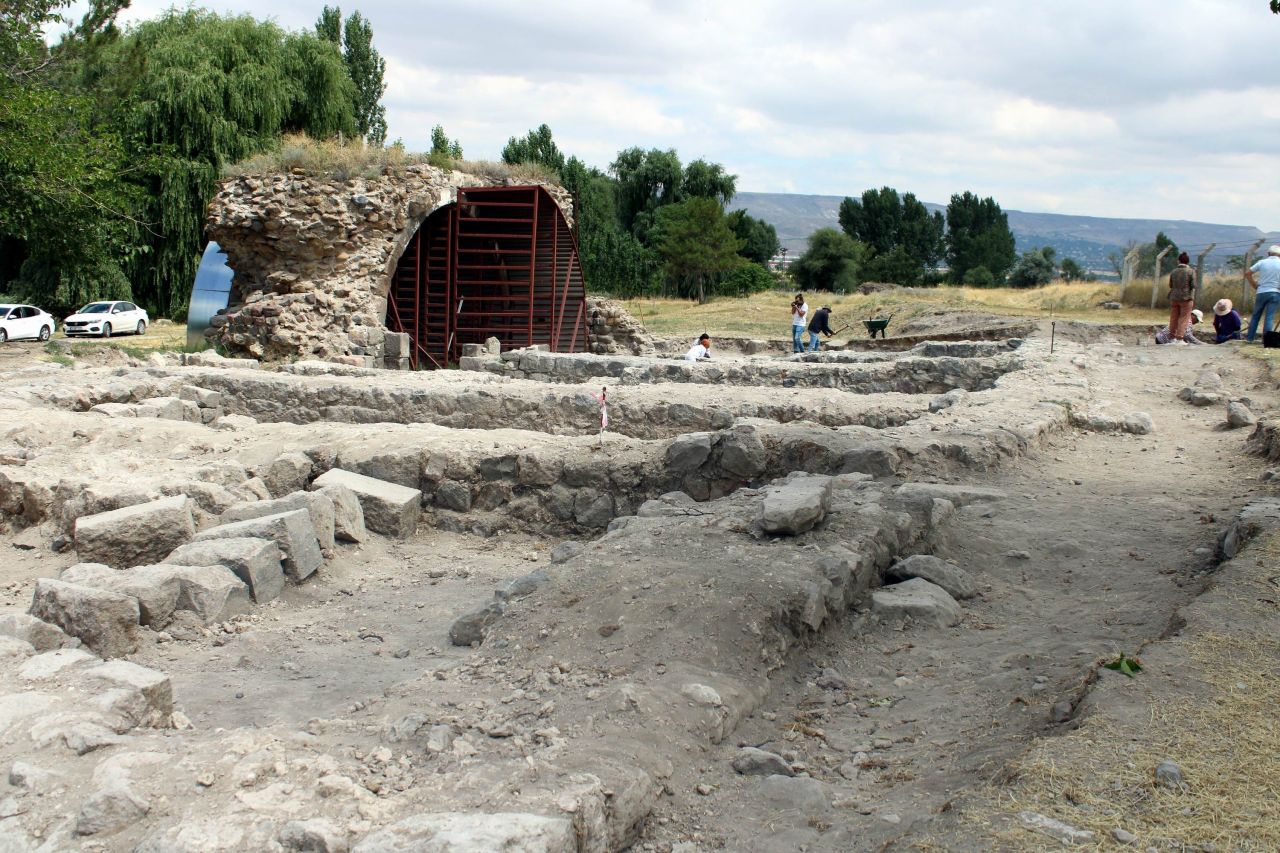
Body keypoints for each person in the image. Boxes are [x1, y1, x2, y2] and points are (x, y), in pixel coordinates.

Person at [1245, 245, 1280, 342]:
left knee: (1256, 315)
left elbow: (1248, 273)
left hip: (1261, 291)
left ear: (1268, 254)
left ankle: (1250, 339)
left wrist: (1254, 285)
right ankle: (1266, 341)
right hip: (1275, 292)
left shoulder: (1262, 262)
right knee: (1269, 317)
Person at [1165, 251, 1196, 342]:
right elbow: (1194, 285)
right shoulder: (1191, 271)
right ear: (1188, 261)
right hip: (1186, 297)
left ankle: (1171, 337)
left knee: (1173, 317)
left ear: (1179, 261)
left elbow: (1170, 285)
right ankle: (1179, 337)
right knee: (1184, 317)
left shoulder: (1174, 271)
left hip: (1174, 297)